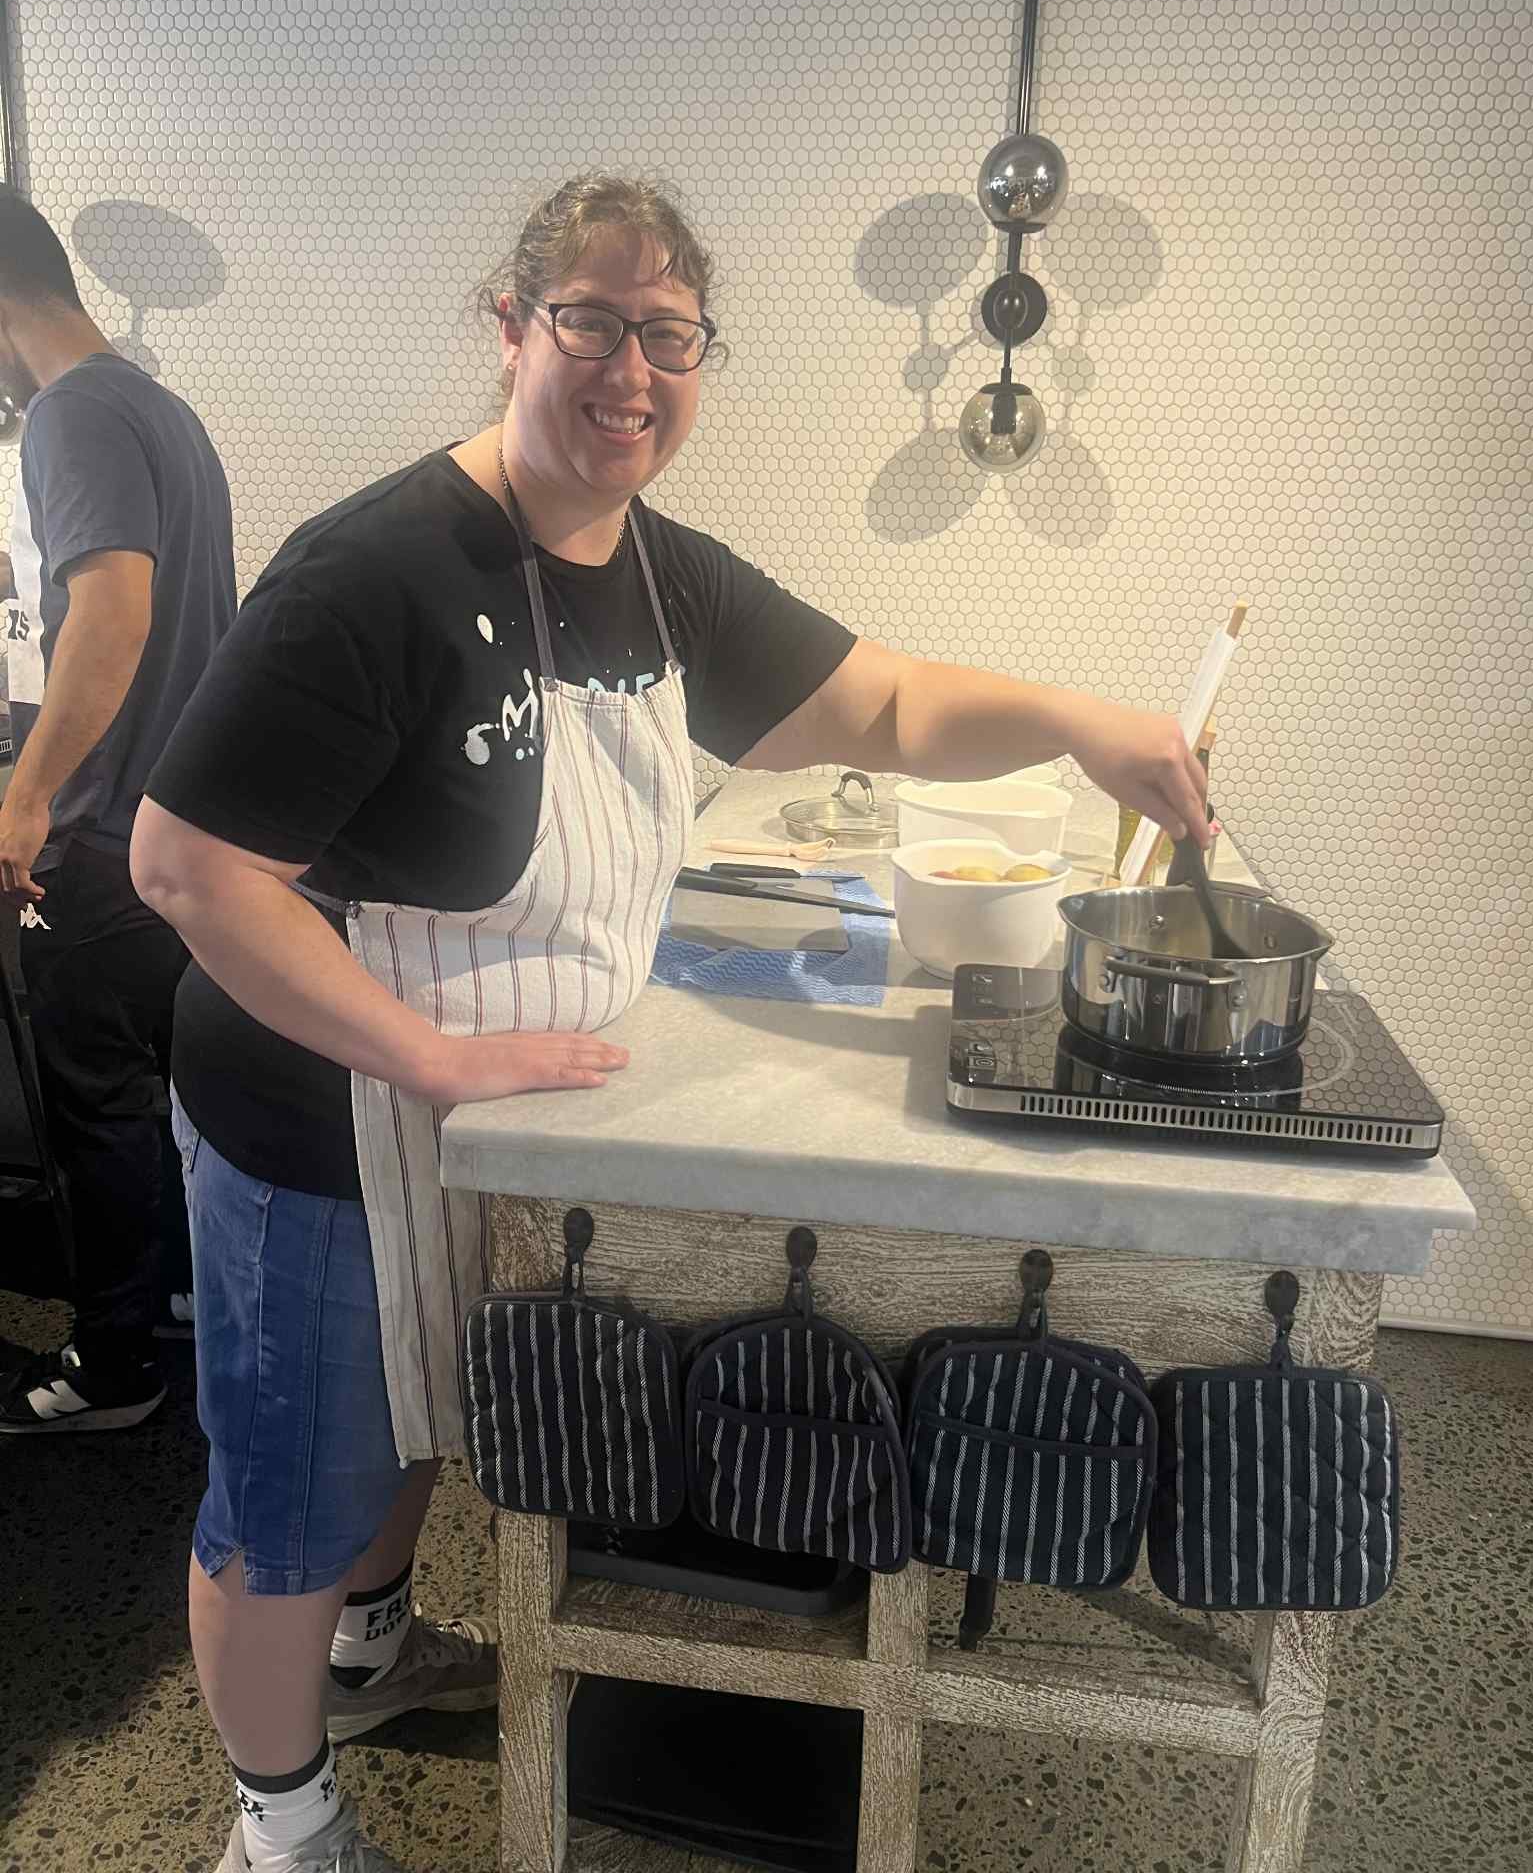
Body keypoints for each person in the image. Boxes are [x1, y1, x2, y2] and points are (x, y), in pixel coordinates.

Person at [130, 174, 1210, 1873]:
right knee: (289, 1490)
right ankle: (277, 1818)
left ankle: (363, 1647)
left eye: (670, 336)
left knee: (414, 1411)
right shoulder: (375, 572)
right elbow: (189, 866)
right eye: (592, 320)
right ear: (510, 326)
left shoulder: (653, 572)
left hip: (490, 1108)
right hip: (318, 1111)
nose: (631, 367)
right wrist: (416, 1056)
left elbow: (884, 699)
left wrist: (1079, 718)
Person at [0, 189, 235, 1434]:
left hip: (101, 833)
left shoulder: (70, 413)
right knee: (160, 1090)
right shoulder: (157, 403)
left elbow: (113, 614)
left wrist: (26, 796)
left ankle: (111, 1365)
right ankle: (176, 1302)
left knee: (95, 1101)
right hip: (183, 825)